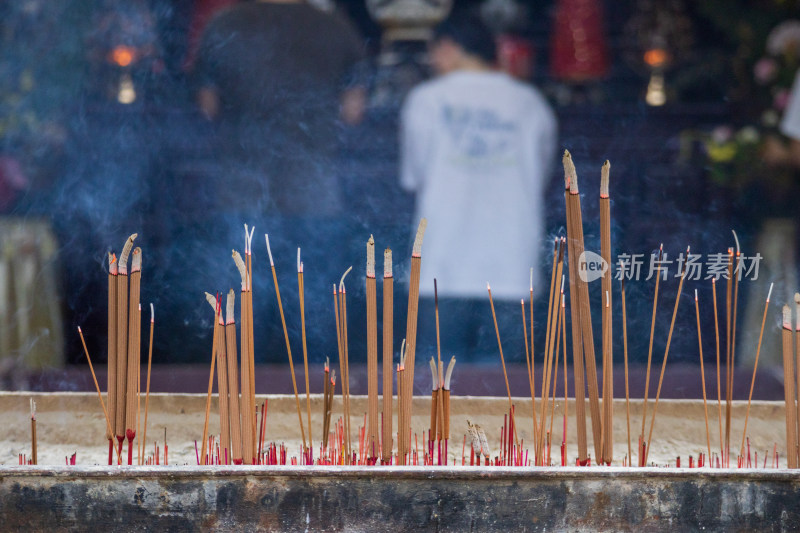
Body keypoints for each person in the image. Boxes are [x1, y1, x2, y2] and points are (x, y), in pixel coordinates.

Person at [190, 0, 367, 363]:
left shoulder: (225, 24)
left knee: (241, 310)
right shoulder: (334, 26)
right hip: (313, 192)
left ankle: (238, 405)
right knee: (313, 311)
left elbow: (207, 106)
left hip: (243, 189)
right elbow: (353, 112)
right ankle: (317, 403)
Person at [399, 13, 557, 360]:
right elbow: (542, 177)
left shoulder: (426, 99)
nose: (431, 61)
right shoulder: (530, 103)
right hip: (513, 263)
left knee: (435, 389)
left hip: (443, 262)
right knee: (508, 396)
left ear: (449, 48)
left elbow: (413, 177)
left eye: (433, 52)